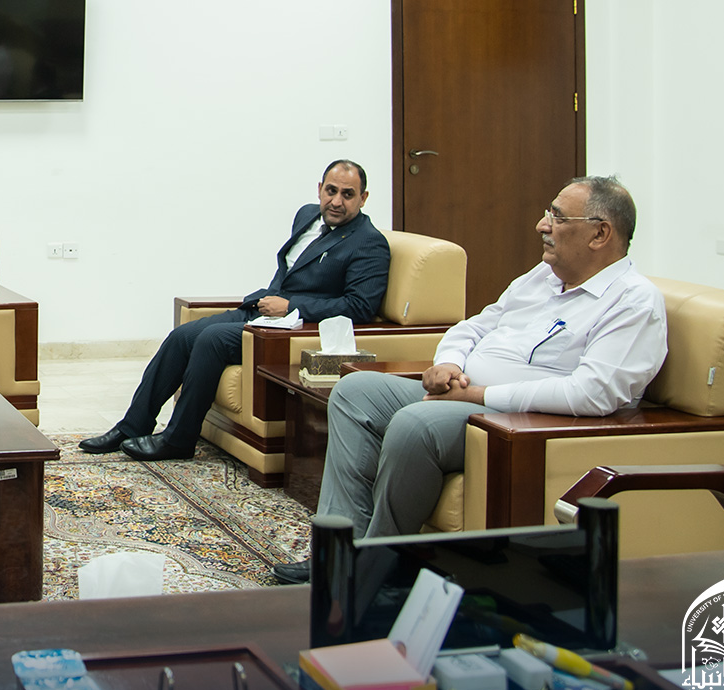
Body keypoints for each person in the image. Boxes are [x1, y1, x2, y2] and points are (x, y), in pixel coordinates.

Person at [271, 175, 665, 584]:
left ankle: (376, 565)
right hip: (466, 395)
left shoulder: (633, 301)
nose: (542, 225)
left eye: (558, 217)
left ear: (600, 234)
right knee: (355, 391)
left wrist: (478, 395)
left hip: (519, 421)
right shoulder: (542, 277)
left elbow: (592, 394)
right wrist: (449, 365)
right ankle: (339, 550)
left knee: (415, 424)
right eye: (548, 213)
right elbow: (473, 327)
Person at [82, 161, 390, 461]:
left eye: (347, 195)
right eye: (331, 191)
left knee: (212, 339)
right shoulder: (308, 215)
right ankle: (132, 426)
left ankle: (178, 440)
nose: (336, 202)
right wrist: (274, 302)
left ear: (363, 198)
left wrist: (291, 306)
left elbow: (360, 307)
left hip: (295, 327)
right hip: (263, 310)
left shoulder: (369, 243)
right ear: (320, 188)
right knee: (181, 336)